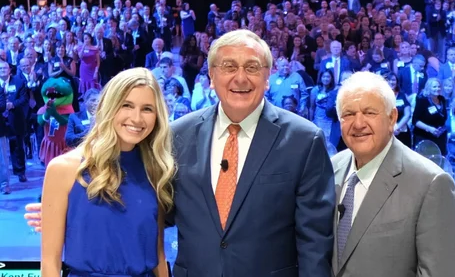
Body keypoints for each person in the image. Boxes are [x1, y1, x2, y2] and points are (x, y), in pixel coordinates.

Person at [27, 30, 335, 277]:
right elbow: (163, 210)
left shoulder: (304, 139)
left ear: (268, 76)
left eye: (252, 67)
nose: (240, 78)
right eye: (228, 67)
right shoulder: (179, 136)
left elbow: (314, 242)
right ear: (211, 77)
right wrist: (68, 212)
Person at [40, 68, 174, 277]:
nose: (137, 118)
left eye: (147, 109)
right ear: (108, 107)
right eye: (126, 105)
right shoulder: (64, 168)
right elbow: (50, 262)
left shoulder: (155, 169)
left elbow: (159, 255)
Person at [331, 71, 455, 277]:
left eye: (369, 112)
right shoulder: (332, 168)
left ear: (392, 118)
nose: (358, 124)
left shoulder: (432, 183)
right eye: (348, 114)